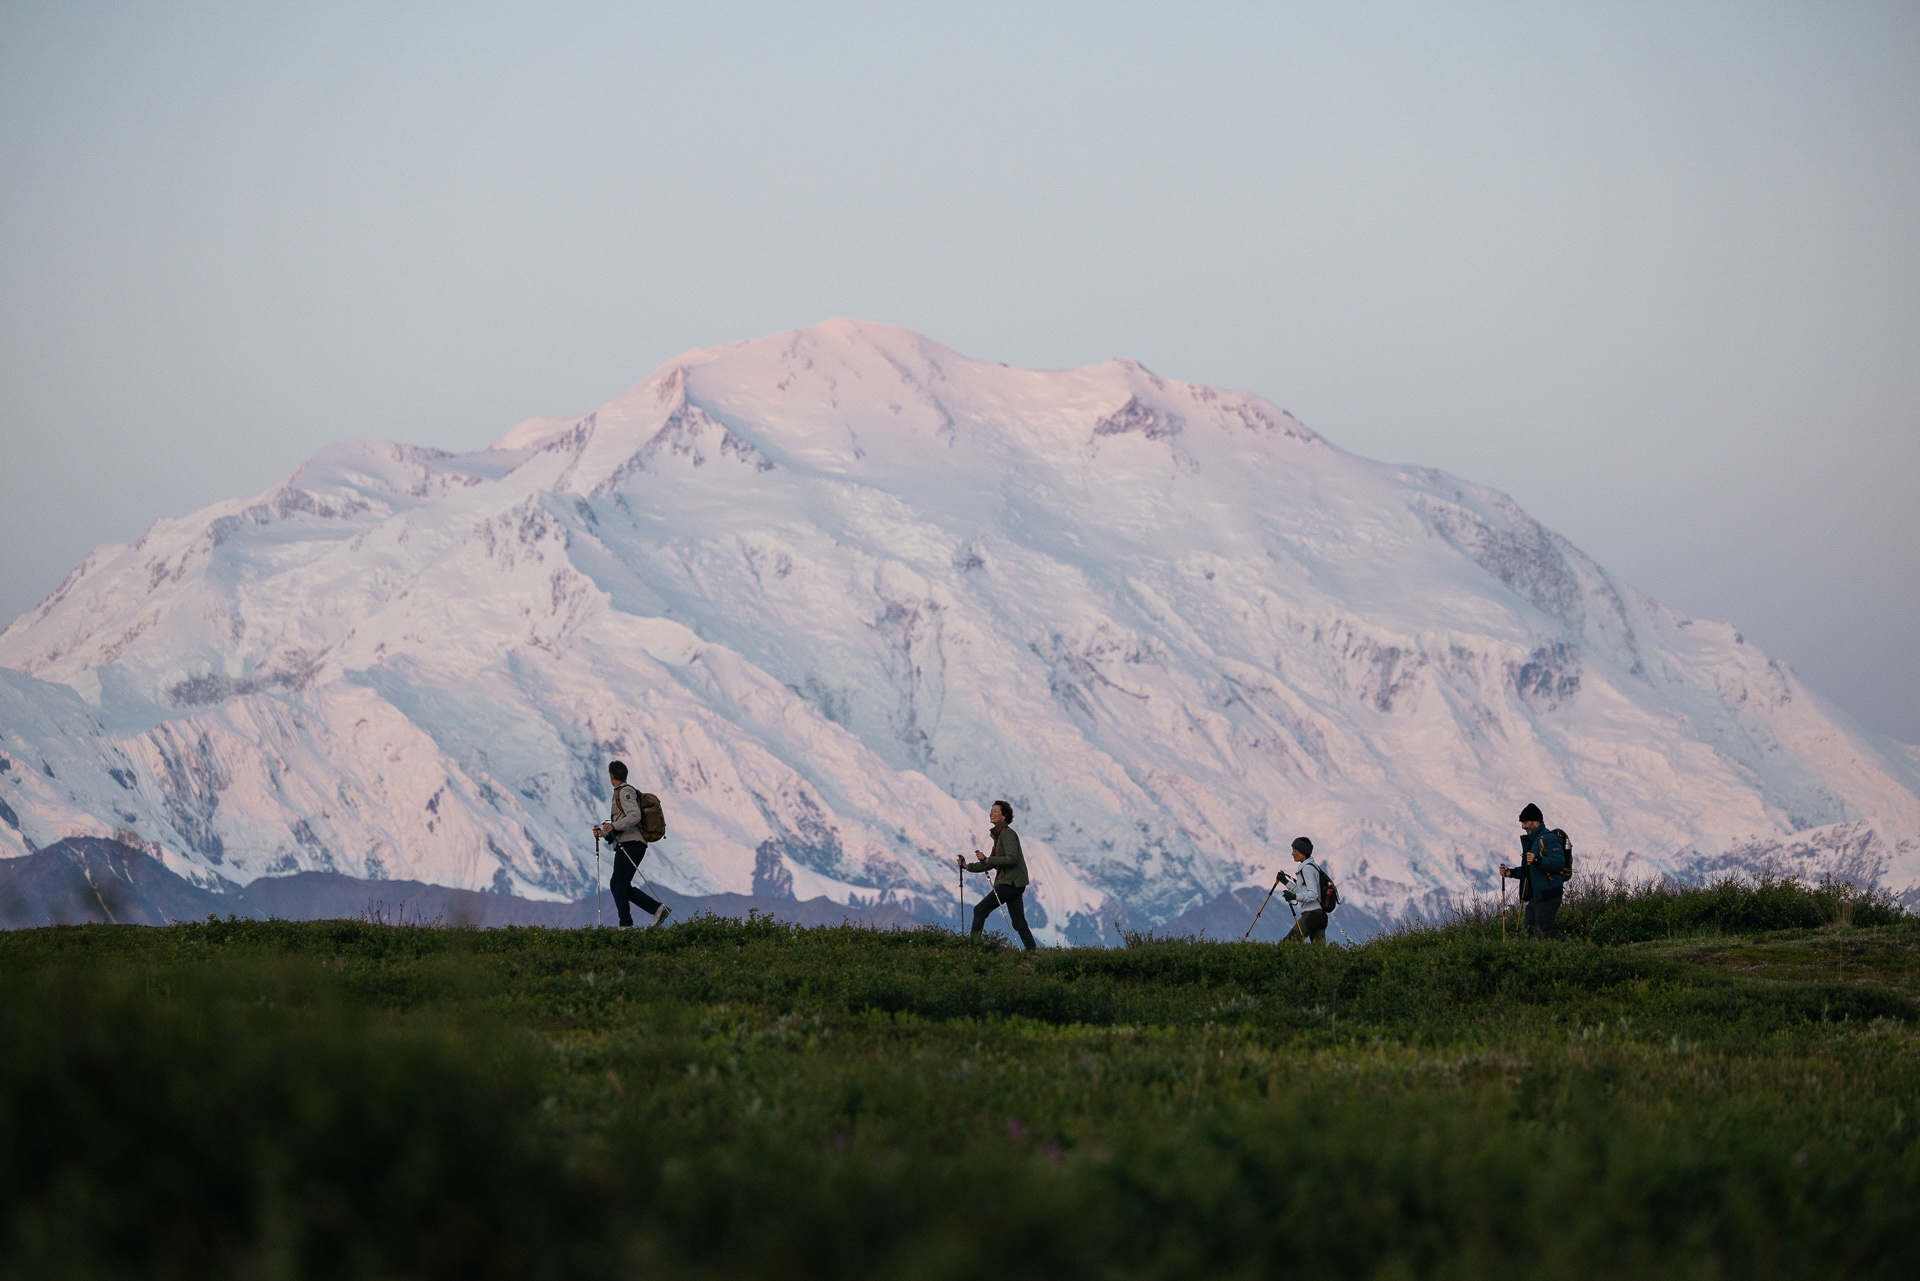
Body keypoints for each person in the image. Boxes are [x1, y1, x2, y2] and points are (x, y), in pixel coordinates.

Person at [594, 760, 671, 928]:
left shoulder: (625, 791)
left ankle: (626, 925)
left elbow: (634, 816)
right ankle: (658, 909)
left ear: (611, 776)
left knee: (617, 883)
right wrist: (603, 833)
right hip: (630, 843)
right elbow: (624, 822)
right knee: (622, 885)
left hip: (631, 844)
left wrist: (613, 826)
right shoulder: (622, 792)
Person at [957, 800, 1037, 950]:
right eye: (991, 810)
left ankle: (972, 948)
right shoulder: (1000, 835)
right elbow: (991, 863)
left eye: (995, 811)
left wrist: (988, 859)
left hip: (1009, 882)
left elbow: (1011, 859)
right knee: (1019, 922)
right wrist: (967, 866)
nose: (991, 813)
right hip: (1015, 884)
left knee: (980, 910)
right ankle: (1032, 951)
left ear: (1003, 816)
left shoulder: (1007, 834)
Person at [1499, 803, 1568, 939]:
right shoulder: (1533, 842)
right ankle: (1543, 957)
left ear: (1536, 821)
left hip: (1549, 894)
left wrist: (1538, 860)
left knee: (1545, 930)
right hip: (1535, 896)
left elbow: (1559, 862)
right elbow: (1529, 871)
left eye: (1525, 822)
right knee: (1529, 933)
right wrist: (1510, 873)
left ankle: (1569, 950)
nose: (1523, 826)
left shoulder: (1549, 839)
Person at [1281, 837, 1328, 944]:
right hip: (1321, 916)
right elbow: (1301, 890)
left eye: (1295, 850)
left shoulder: (1307, 868)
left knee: (1288, 944)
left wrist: (1294, 897)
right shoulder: (1314, 867)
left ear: (1303, 851)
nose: (1292, 853)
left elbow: (1313, 894)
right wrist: (1285, 881)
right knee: (1320, 953)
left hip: (1312, 915)